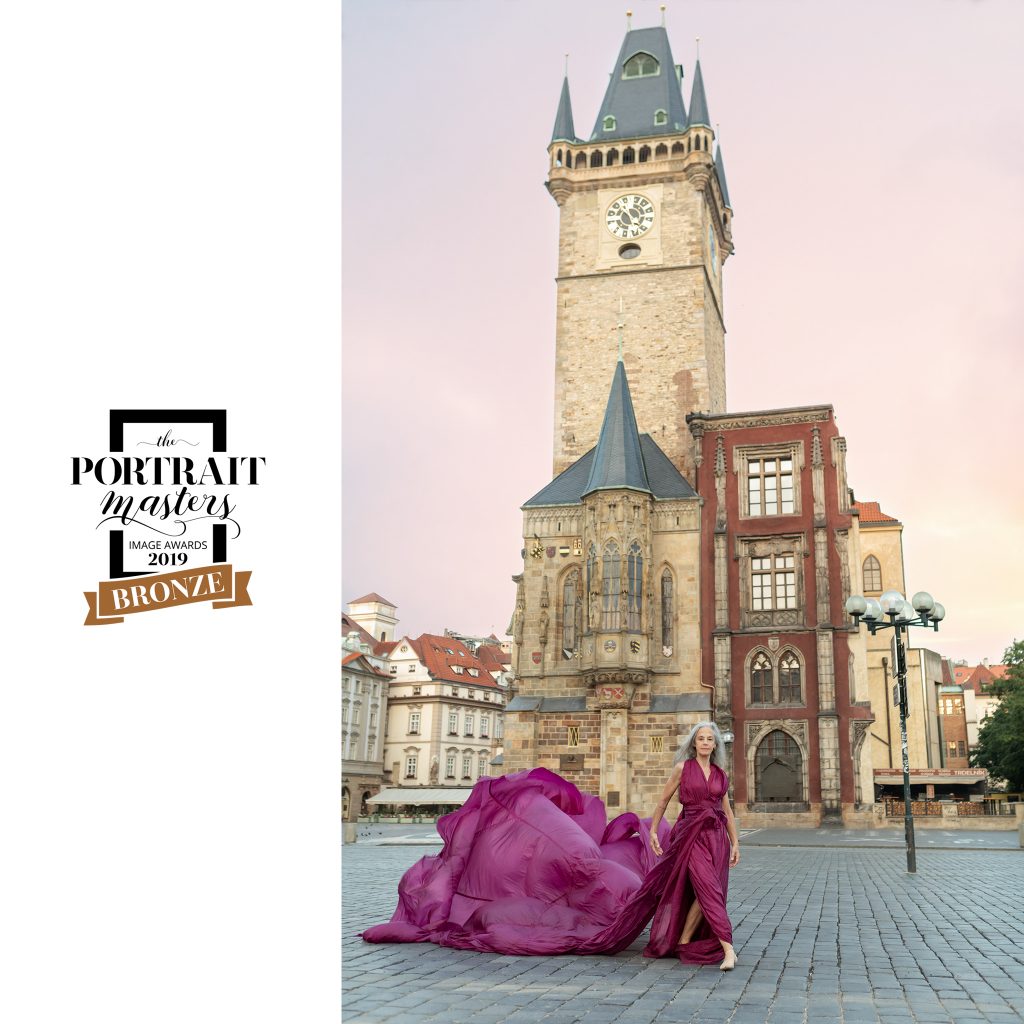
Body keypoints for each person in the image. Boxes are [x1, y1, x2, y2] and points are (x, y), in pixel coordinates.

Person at [360, 720, 739, 969]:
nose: (705, 743)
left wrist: (735, 842)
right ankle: (727, 947)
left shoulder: (719, 774)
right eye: (700, 738)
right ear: (693, 743)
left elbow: (728, 808)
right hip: (688, 835)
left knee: (704, 889)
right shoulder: (681, 769)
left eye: (709, 739)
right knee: (698, 887)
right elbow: (660, 803)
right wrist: (654, 831)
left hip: (714, 836)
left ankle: (689, 938)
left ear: (714, 745)